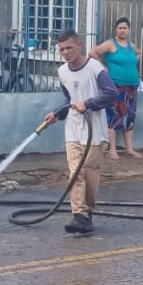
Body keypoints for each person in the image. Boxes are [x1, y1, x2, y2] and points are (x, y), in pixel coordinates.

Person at [42, 29, 117, 234]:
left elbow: (112, 94)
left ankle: (87, 213)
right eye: (62, 49)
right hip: (73, 130)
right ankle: (79, 214)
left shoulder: (95, 68)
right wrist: (57, 114)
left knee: (90, 175)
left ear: (79, 45)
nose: (66, 53)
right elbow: (69, 100)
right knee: (76, 172)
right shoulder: (62, 72)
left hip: (94, 131)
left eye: (69, 48)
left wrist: (90, 103)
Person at [90, 17, 143, 160]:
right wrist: (104, 67)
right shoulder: (110, 44)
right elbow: (92, 52)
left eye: (125, 28)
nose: (122, 30)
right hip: (116, 87)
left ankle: (129, 148)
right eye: (120, 28)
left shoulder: (131, 46)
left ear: (129, 30)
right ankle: (112, 149)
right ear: (116, 29)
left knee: (129, 118)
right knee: (113, 117)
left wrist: (131, 63)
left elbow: (139, 53)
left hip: (132, 88)